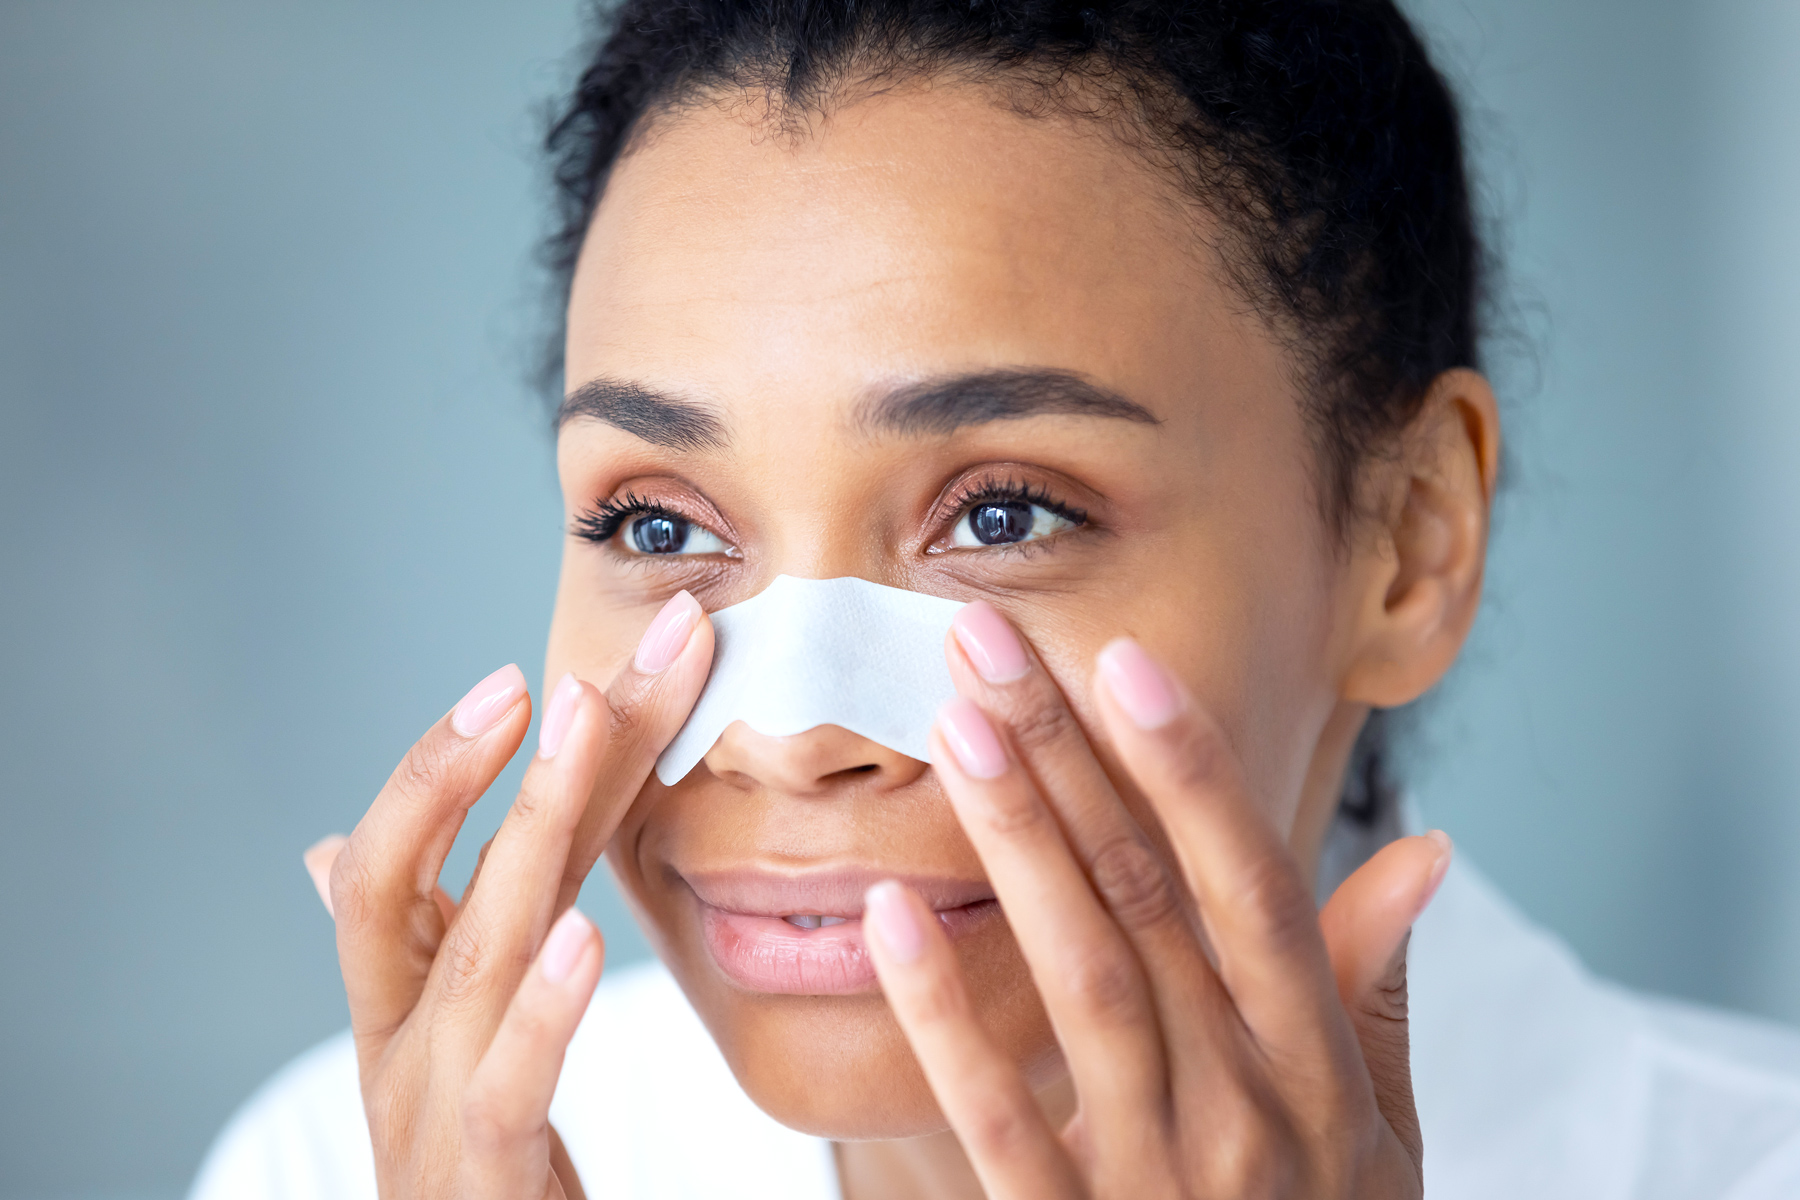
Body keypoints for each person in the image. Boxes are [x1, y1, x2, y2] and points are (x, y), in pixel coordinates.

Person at [190, 0, 1800, 1196]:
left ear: (1407, 542)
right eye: (658, 526)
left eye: (1007, 511)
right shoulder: (333, 1165)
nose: (787, 738)